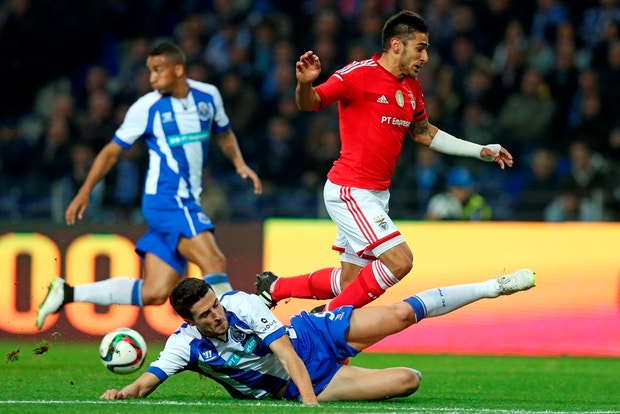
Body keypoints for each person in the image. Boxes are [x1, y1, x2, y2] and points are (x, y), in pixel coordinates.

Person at [256, 11, 513, 312]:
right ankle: (326, 319)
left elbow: (423, 133)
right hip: (351, 190)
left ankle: (274, 287)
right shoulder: (358, 74)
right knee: (400, 261)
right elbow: (309, 102)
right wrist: (304, 84)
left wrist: (479, 150)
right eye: (420, 48)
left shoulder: (411, 87)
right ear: (396, 45)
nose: (425, 57)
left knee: (351, 282)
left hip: (377, 194)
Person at [36, 41, 262, 330]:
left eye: (158, 70)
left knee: (154, 292)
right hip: (168, 199)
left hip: (183, 200)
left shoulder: (208, 96)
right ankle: (238, 336)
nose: (152, 77)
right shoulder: (146, 107)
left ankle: (67, 293)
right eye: (150, 70)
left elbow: (224, 133)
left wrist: (240, 163)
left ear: (178, 69)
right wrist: (85, 191)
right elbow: (112, 151)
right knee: (214, 261)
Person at [100, 268, 535, 404]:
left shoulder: (242, 304)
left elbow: (286, 353)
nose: (217, 316)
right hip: (311, 383)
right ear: (188, 320)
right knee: (409, 381)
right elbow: (149, 380)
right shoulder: (183, 346)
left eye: (215, 305)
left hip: (312, 338)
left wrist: (309, 409)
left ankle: (492, 287)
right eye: (206, 315)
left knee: (402, 314)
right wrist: (123, 392)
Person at [425, 166, 492, 220]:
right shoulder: (440, 201)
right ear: (450, 188)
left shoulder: (478, 202)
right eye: (460, 188)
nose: (465, 191)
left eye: (467, 187)